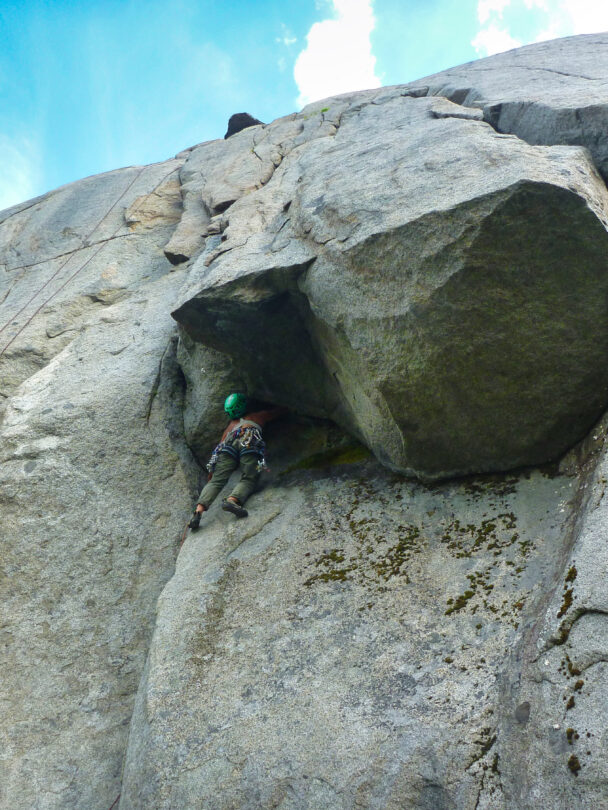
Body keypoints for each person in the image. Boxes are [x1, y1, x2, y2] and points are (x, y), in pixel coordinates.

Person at [188, 393, 287, 529]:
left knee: (216, 481)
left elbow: (219, 446)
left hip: (228, 446)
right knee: (249, 477)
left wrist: (212, 470)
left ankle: (198, 512)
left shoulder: (231, 425)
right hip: (248, 441)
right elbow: (275, 413)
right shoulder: (256, 416)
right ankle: (232, 500)